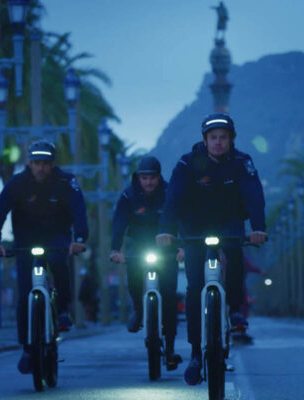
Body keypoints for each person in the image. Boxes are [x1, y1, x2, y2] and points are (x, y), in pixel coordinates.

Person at [156, 113, 267, 385]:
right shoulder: (187, 163)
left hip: (229, 222)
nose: (218, 143)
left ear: (231, 140)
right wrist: (166, 229)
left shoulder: (243, 162)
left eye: (223, 138)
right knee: (195, 287)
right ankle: (196, 353)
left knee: (235, 255)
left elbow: (254, 195)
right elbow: (173, 198)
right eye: (213, 138)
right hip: (194, 227)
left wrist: (258, 227)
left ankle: (235, 309)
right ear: (204, 140)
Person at [0, 140, 88, 374]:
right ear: (29, 164)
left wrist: (80, 239)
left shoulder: (66, 181)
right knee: (25, 293)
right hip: (25, 241)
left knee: (58, 263)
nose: (40, 168)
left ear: (52, 164)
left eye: (45, 163)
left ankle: (62, 310)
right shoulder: (17, 184)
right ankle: (27, 348)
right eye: (36, 163)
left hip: (57, 238)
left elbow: (79, 209)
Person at [110, 156, 183, 370]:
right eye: (144, 178)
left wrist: (183, 246)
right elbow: (119, 223)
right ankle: (139, 310)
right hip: (138, 247)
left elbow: (181, 220)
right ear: (138, 177)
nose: (149, 182)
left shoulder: (171, 193)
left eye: (152, 177)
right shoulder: (128, 195)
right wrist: (115, 249)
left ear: (159, 176)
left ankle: (169, 349)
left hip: (166, 248)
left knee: (169, 298)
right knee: (133, 279)